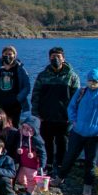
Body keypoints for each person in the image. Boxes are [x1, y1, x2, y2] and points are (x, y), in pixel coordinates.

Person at [53, 69, 98, 195]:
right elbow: (71, 107)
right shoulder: (81, 92)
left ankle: (87, 186)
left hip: (94, 136)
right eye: (90, 81)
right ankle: (60, 178)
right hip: (77, 132)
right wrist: (74, 121)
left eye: (95, 81)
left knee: (90, 162)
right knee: (69, 157)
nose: (92, 84)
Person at [31, 47, 80, 176]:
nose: (56, 59)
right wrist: (36, 114)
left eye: (58, 56)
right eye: (53, 56)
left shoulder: (72, 76)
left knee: (62, 143)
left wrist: (73, 116)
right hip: (45, 116)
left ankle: (61, 166)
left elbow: (77, 99)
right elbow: (35, 95)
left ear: (63, 58)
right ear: (49, 58)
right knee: (46, 142)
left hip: (64, 118)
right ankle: (48, 165)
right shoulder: (43, 75)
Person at [0, 46, 31, 127]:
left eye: (10, 54)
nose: (8, 56)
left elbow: (27, 86)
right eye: (5, 54)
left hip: (14, 104)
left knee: (13, 127)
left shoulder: (20, 69)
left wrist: (18, 98)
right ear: (2, 55)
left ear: (15, 55)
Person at [11, 114, 47, 195]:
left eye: (29, 129)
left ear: (34, 130)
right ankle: (28, 188)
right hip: (23, 164)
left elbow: (42, 153)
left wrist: (41, 166)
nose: (26, 131)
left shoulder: (37, 140)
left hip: (32, 165)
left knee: (31, 179)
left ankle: (29, 194)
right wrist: (18, 151)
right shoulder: (21, 137)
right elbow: (17, 146)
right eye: (24, 128)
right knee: (20, 178)